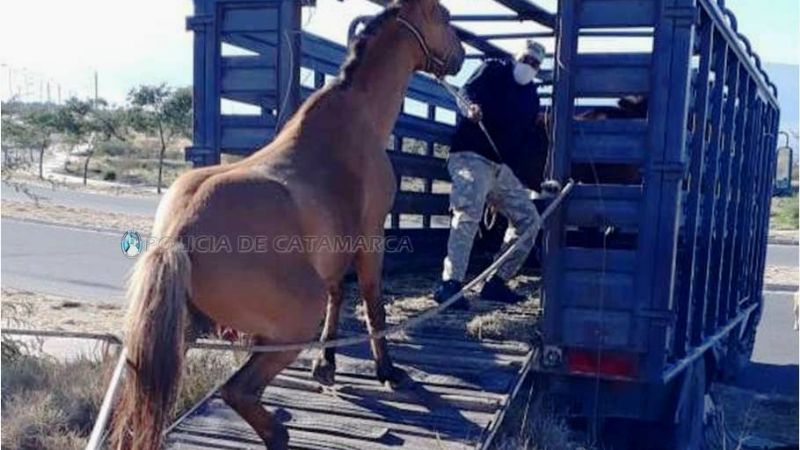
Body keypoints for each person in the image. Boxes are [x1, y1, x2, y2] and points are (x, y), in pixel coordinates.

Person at [434, 40, 546, 309]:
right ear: (516, 57)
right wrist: (470, 108)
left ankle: (497, 281)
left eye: (535, 64)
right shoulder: (492, 71)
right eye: (526, 59)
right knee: (469, 211)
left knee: (530, 220)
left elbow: (523, 141)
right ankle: (450, 284)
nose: (529, 66)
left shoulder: (532, 96)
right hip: (470, 156)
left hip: (500, 167)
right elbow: (466, 93)